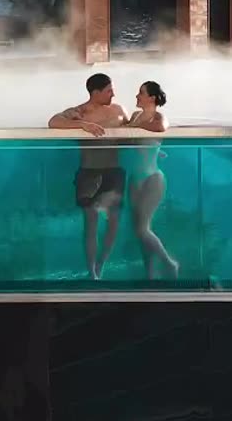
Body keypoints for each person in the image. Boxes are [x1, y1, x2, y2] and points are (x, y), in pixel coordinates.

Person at [48, 73, 128, 279]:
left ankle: (102, 264)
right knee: (91, 223)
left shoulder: (119, 110)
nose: (113, 94)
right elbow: (53, 122)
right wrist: (83, 125)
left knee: (113, 221)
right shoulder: (80, 112)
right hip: (90, 172)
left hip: (113, 170)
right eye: (109, 90)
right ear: (96, 92)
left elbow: (133, 130)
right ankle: (92, 271)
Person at [126, 81, 179, 278]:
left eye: (141, 93)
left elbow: (160, 127)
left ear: (152, 98)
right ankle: (150, 273)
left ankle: (169, 263)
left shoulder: (158, 117)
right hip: (135, 178)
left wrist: (136, 128)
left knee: (142, 229)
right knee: (137, 228)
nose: (137, 96)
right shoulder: (134, 116)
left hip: (152, 178)